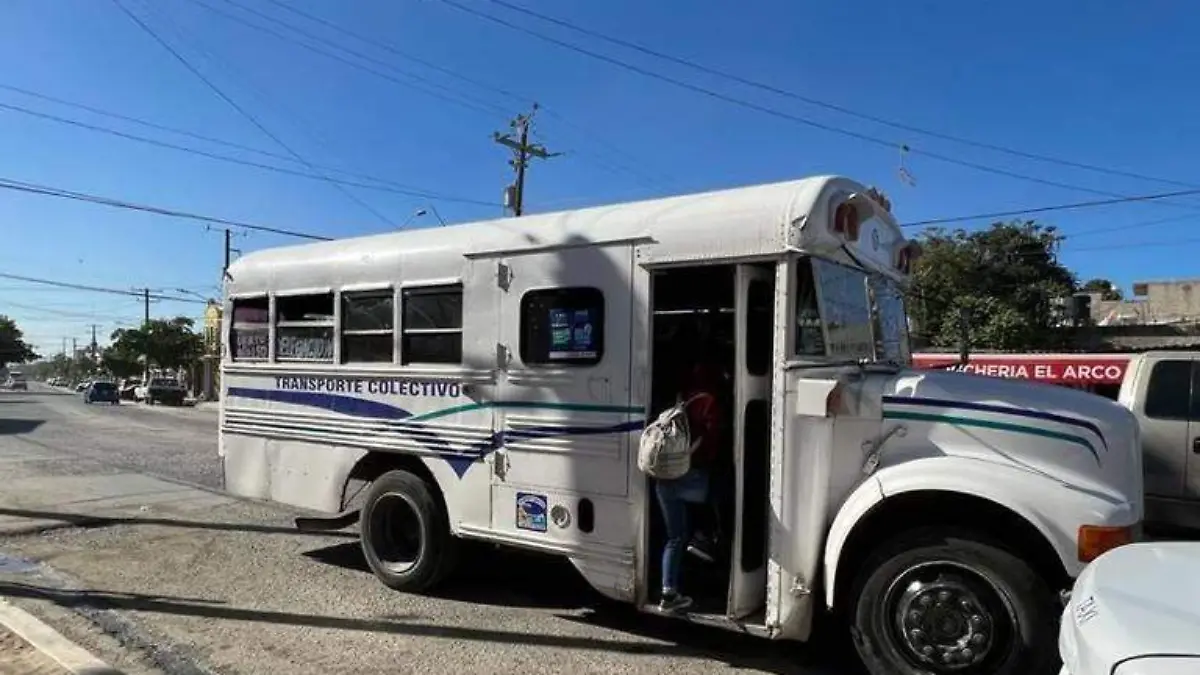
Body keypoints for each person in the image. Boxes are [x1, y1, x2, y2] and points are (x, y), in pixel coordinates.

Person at [655, 354, 724, 613]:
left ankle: (668, 594)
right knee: (721, 494)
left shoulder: (680, 397)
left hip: (664, 476)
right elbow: (712, 446)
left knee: (674, 537)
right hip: (691, 476)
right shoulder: (710, 402)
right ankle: (705, 539)